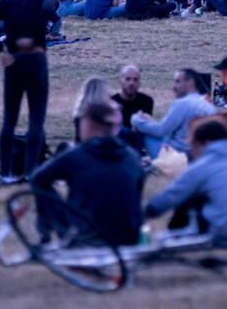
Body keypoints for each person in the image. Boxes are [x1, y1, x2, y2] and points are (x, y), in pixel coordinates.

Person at [144, 120, 227, 248]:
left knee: (190, 196)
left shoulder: (204, 165)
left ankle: (176, 239)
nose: (192, 153)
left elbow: (166, 200)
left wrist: (140, 215)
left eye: (193, 147)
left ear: (205, 143)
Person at [31, 101, 145, 245]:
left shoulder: (77, 155)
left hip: (84, 239)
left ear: (89, 123)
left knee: (42, 186)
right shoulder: (132, 158)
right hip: (128, 240)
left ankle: (51, 236)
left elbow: (37, 178)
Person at [0, 0, 57, 181]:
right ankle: (30, 173)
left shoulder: (8, 0)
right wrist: (33, 37)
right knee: (36, 119)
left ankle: (5, 172)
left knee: (9, 119)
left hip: (13, 60)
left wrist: (0, 50)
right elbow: (48, 11)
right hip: (35, 59)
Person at [131, 68, 216, 157]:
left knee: (143, 127)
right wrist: (150, 120)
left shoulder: (183, 103)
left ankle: (140, 161)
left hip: (178, 156)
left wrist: (136, 119)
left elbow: (161, 131)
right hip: (202, 155)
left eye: (178, 82)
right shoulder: (209, 105)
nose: (174, 87)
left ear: (190, 83)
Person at [112, 65, 154, 151]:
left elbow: (147, 131)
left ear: (139, 83)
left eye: (135, 80)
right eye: (128, 79)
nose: (132, 83)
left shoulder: (146, 101)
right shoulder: (111, 102)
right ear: (120, 81)